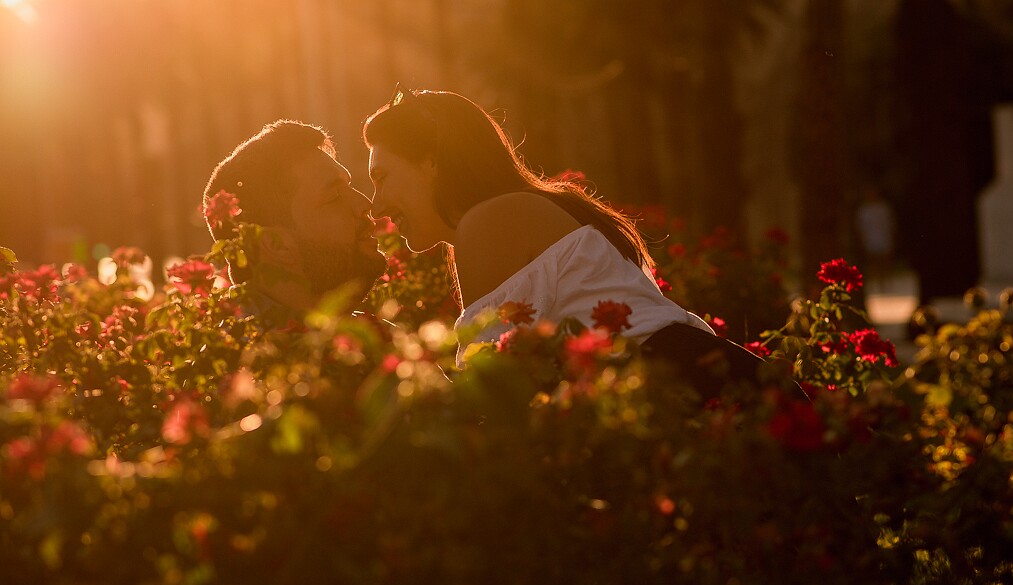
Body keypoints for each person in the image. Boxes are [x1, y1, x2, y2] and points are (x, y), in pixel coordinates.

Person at [361, 87, 771, 403]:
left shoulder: (489, 222)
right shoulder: (523, 210)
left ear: (430, 160)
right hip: (710, 381)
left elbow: (494, 394)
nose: (377, 203)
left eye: (382, 177)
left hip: (690, 389)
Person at [202, 120, 387, 326]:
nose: (365, 204)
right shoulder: (241, 354)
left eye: (349, 186)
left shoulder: (377, 341)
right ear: (276, 245)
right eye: (334, 197)